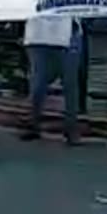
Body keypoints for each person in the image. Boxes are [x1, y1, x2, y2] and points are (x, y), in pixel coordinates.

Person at [20, 15, 82, 144]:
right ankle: (33, 124)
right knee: (37, 84)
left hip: (67, 33)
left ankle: (71, 129)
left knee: (70, 84)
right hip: (38, 34)